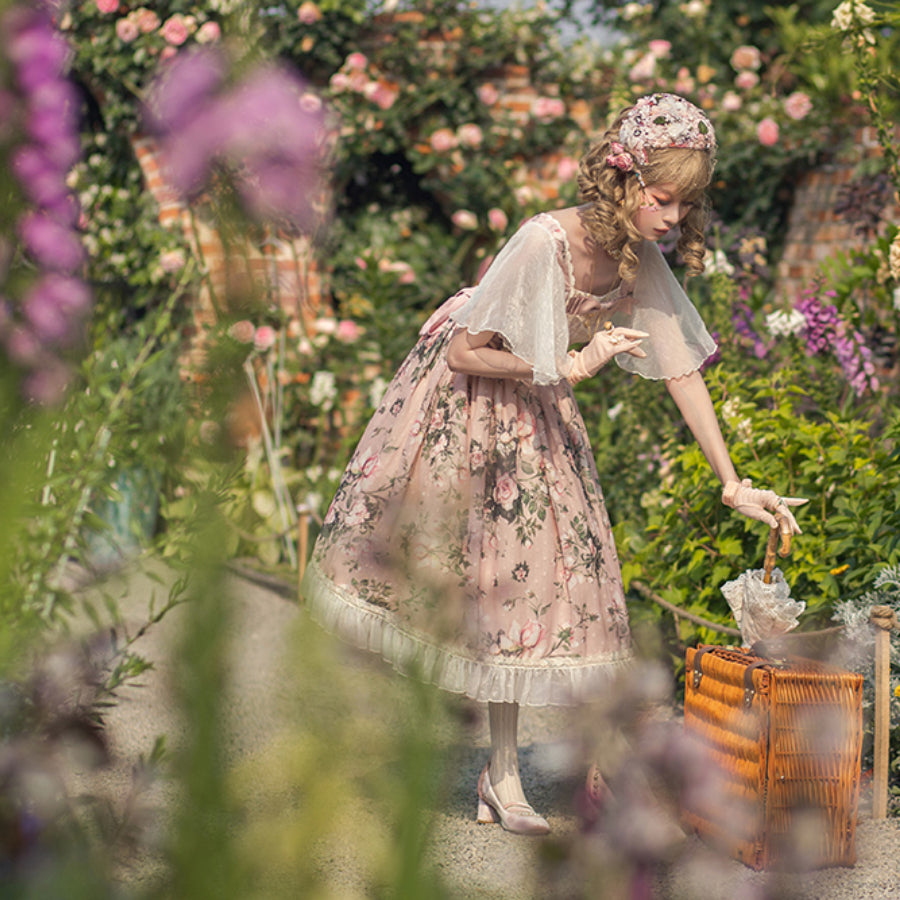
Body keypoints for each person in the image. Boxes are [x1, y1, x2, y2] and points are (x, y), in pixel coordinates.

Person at [300, 93, 805, 836]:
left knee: (524, 584)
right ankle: (495, 776)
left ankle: (501, 778)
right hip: (467, 407)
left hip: (538, 406)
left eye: (684, 204)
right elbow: (467, 348)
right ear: (623, 180)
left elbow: (680, 369)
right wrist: (567, 364)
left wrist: (733, 483)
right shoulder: (545, 241)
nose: (671, 216)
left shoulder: (639, 257)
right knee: (469, 579)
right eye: (661, 198)